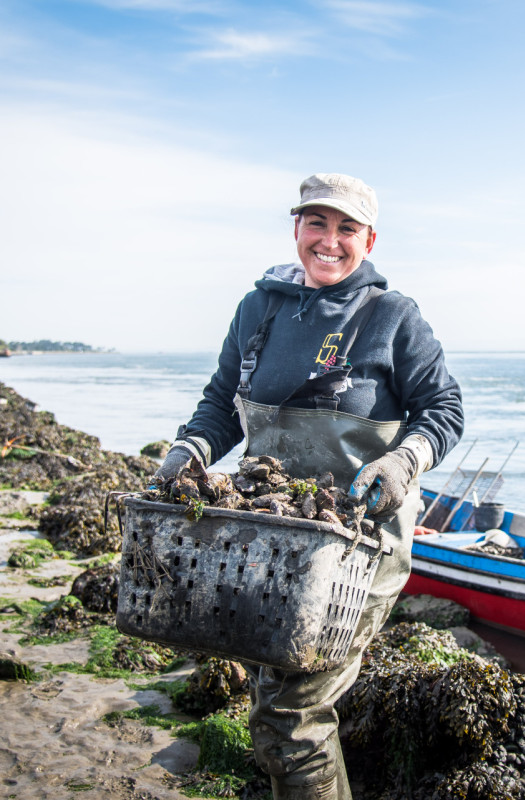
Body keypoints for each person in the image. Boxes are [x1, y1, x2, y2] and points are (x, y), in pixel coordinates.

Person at [153, 172, 464, 799]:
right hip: (271, 540)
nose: (329, 240)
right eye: (316, 223)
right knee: (274, 693)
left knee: (290, 718)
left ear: (369, 240)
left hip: (360, 547)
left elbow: (444, 409)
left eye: (347, 228)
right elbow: (222, 404)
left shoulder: (393, 316)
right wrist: (188, 451)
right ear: (296, 227)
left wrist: (403, 462)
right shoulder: (258, 309)